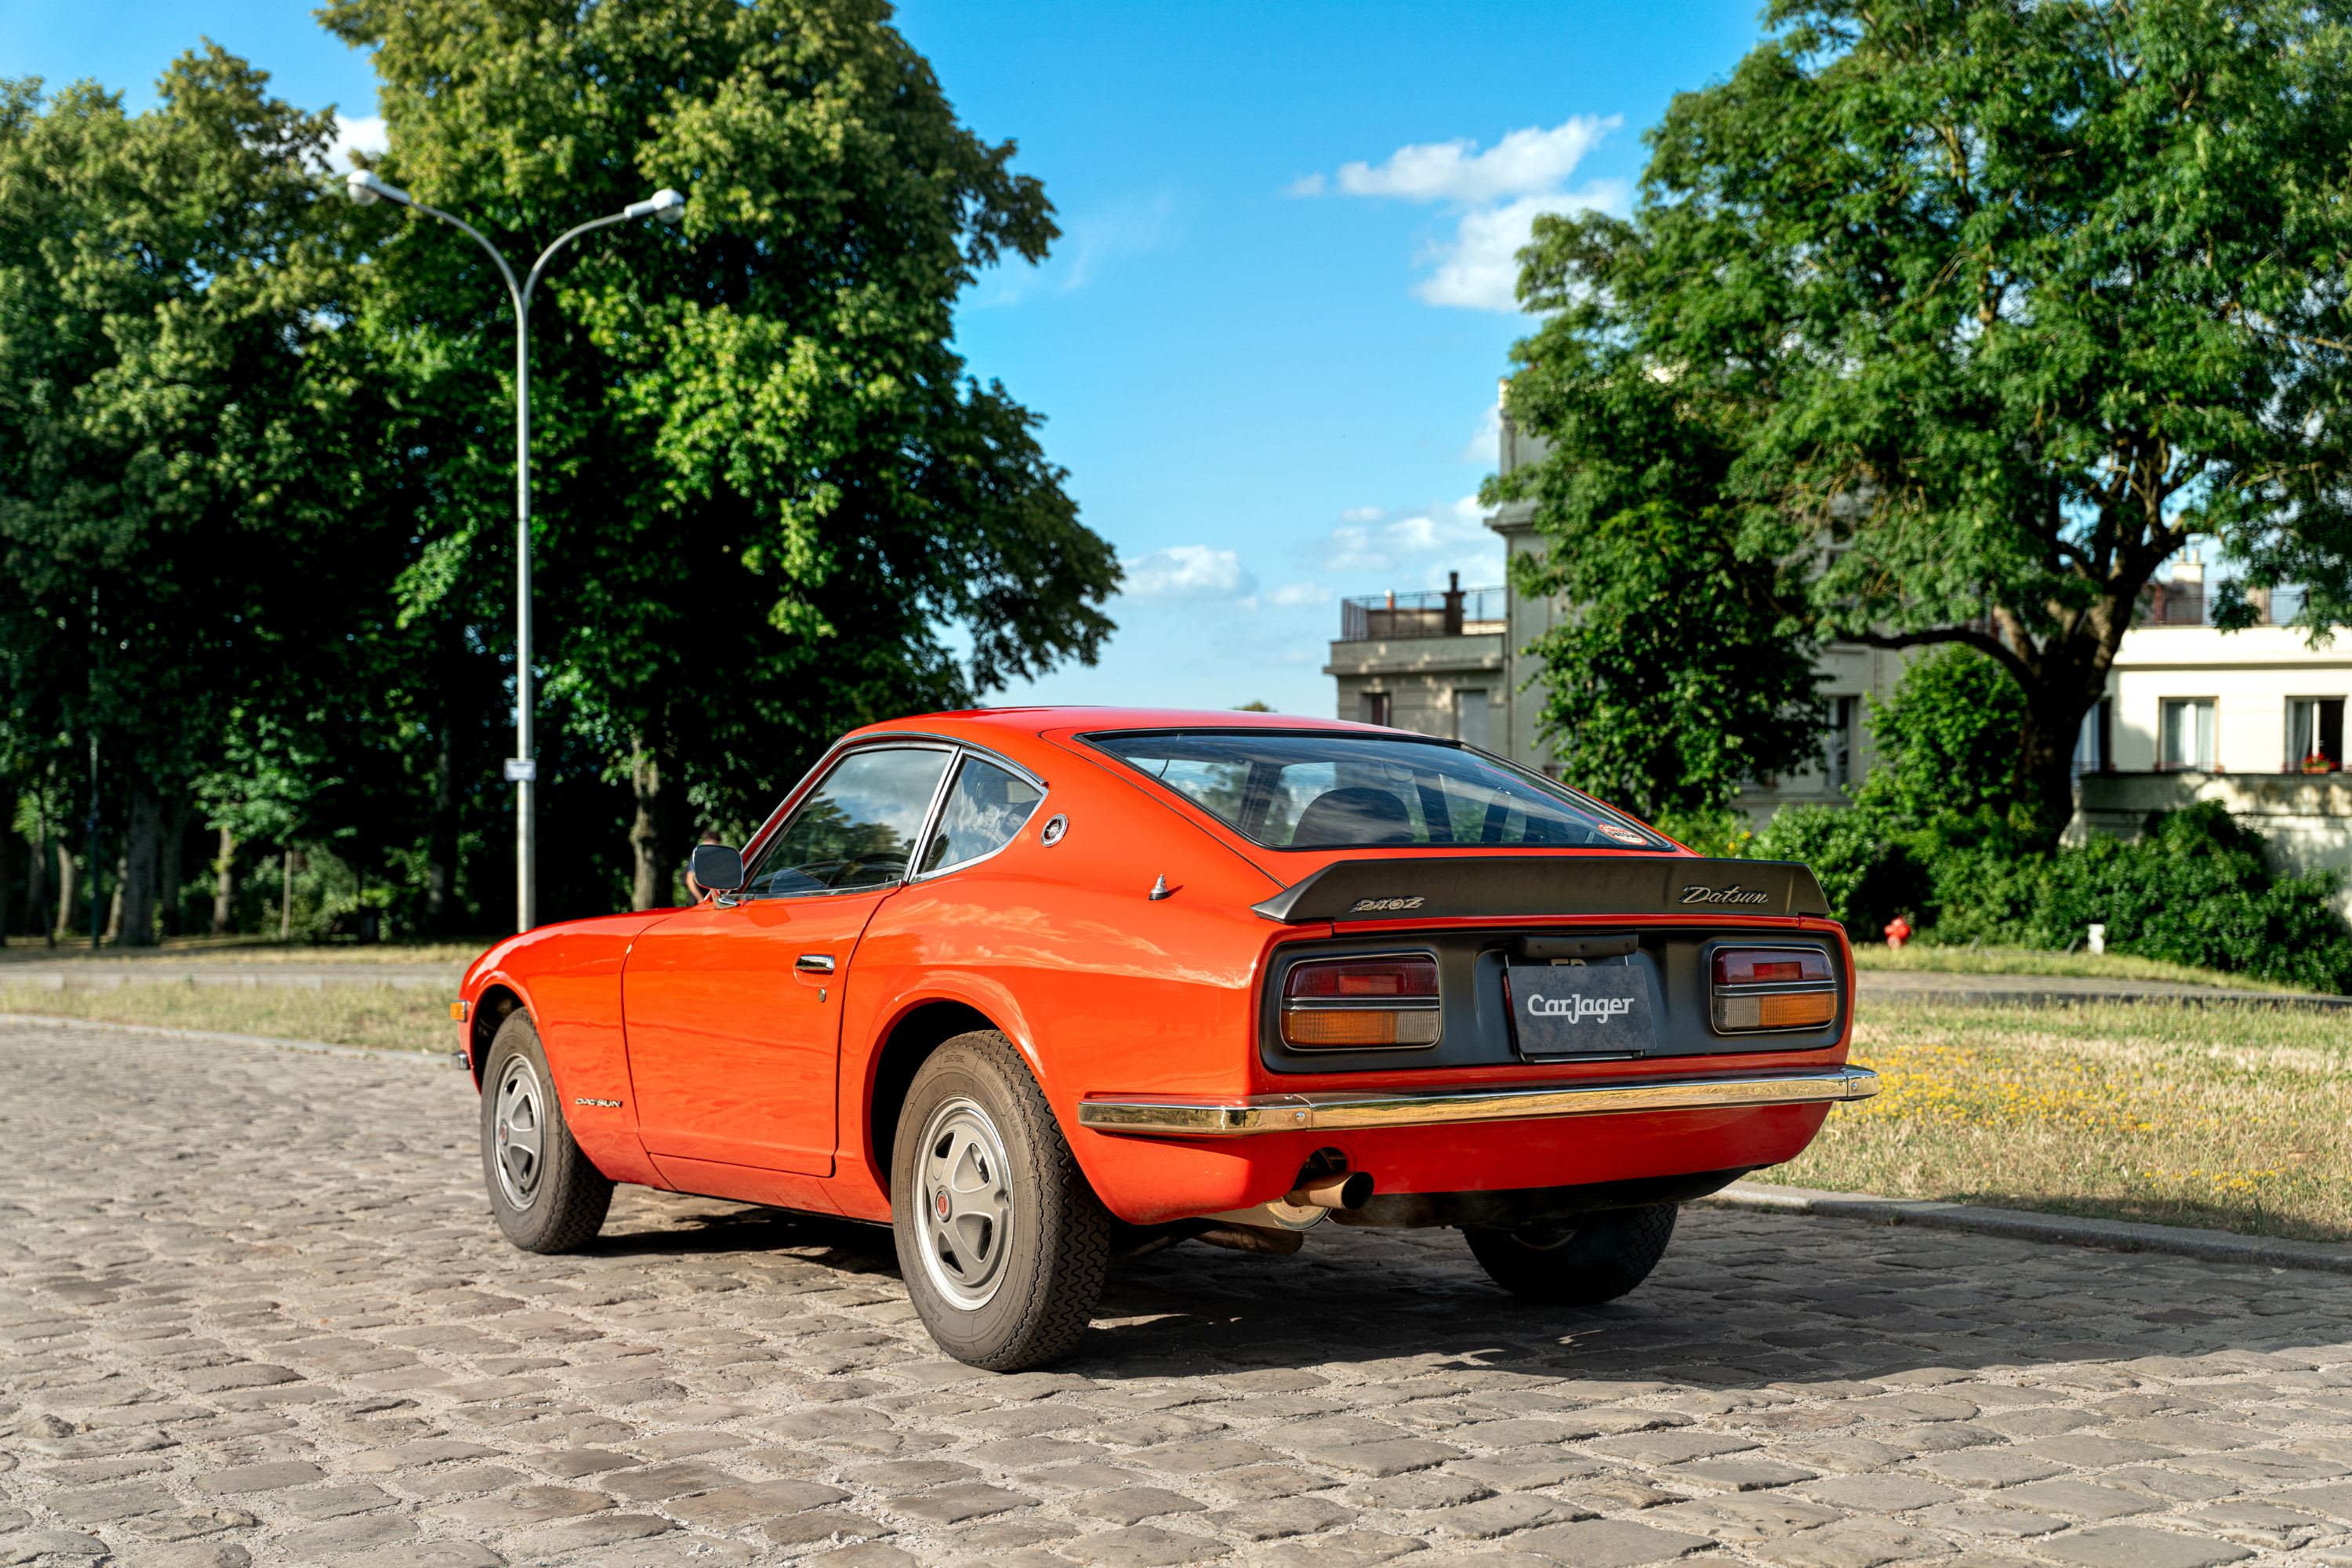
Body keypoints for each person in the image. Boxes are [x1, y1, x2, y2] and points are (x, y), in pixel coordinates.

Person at [682, 832, 724, 903]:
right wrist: (700, 899)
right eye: (713, 844)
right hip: (698, 900)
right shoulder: (698, 855)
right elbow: (689, 880)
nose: (715, 848)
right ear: (706, 842)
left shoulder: (715, 857)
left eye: (717, 845)